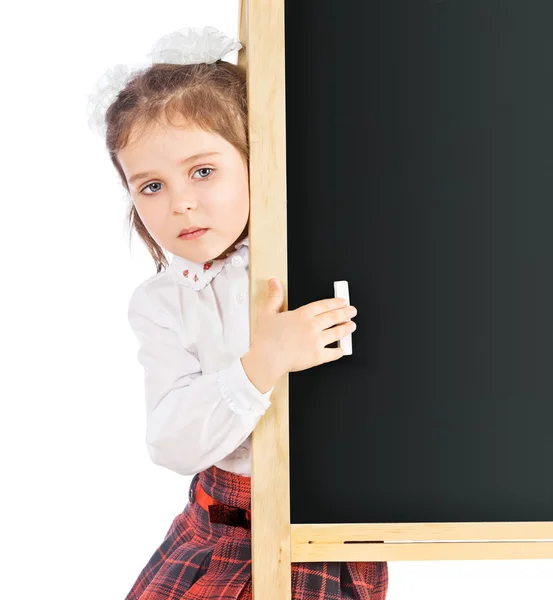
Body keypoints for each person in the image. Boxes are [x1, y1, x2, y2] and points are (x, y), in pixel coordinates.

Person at [87, 25, 388, 600]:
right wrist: (262, 362)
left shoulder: (321, 258)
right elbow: (172, 443)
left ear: (259, 159)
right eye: (150, 186)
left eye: (203, 171)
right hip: (215, 533)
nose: (180, 202)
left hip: (319, 537)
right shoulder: (163, 301)